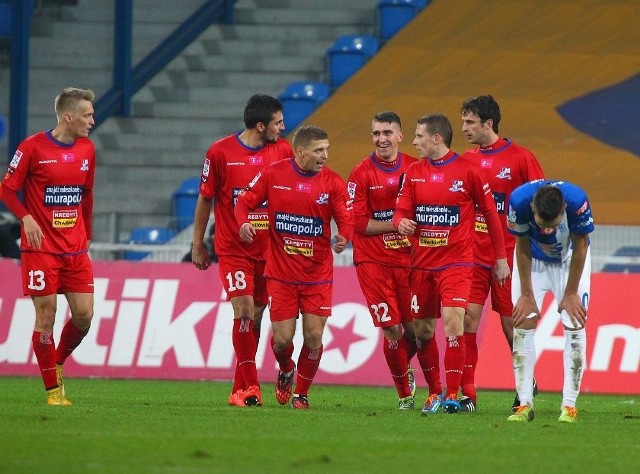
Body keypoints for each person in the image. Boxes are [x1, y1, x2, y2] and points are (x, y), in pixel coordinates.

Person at [393, 114, 509, 414]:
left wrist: (500, 259)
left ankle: (453, 394)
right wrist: (402, 221)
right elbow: (400, 211)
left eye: (419, 136)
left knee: (456, 322)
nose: (414, 142)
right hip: (421, 265)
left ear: (436, 139)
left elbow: (492, 217)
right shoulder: (414, 172)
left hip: (456, 263)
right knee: (423, 332)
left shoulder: (469, 172)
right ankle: (434, 391)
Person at [234, 125, 354, 409]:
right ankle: (286, 368)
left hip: (317, 275)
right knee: (282, 341)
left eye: (327, 149)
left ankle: (302, 394)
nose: (325, 155)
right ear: (300, 151)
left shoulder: (333, 182)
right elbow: (243, 202)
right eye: (318, 150)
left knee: (314, 335)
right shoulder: (274, 174)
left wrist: (343, 236)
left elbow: (346, 218)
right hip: (282, 275)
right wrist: (243, 222)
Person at [191, 94, 293, 407]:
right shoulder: (220, 152)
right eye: (277, 122)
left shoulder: (284, 151)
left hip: (271, 251)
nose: (283, 127)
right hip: (233, 249)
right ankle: (250, 388)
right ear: (260, 126)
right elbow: (206, 198)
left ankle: (275, 373)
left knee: (259, 317)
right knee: (245, 310)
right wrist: (197, 244)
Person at [0, 87, 96, 405]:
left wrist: (89, 233)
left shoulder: (87, 150)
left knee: (84, 316)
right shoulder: (32, 148)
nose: (92, 120)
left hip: (75, 249)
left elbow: (87, 194)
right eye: (87, 115)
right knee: (46, 316)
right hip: (40, 248)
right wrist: (26, 218)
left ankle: (55, 361)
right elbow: (7, 190)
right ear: (68, 117)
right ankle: (53, 392)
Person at [459, 95, 545, 412]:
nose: (464, 128)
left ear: (488, 123)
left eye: (470, 122)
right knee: (467, 318)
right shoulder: (465, 161)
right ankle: (467, 394)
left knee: (513, 326)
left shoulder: (521, 159)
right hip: (471, 256)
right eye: (463, 122)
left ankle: (526, 383)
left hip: (510, 257)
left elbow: (542, 204)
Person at [347, 111, 419, 410]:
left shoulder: (417, 168)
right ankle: (403, 393)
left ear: (400, 136)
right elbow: (358, 224)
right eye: (376, 133)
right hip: (373, 261)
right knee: (391, 328)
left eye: (388, 133)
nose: (382, 139)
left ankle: (405, 368)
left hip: (409, 260)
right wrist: (396, 223)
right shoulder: (361, 173)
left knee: (415, 334)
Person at [506, 180, 593, 423]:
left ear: (564, 208)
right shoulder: (519, 201)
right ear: (532, 208)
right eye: (542, 224)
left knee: (575, 326)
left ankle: (569, 406)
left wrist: (571, 293)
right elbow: (521, 244)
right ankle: (524, 404)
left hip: (568, 261)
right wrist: (526, 294)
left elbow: (581, 246)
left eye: (552, 224)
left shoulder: (577, 201)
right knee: (522, 325)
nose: (546, 230)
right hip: (533, 261)